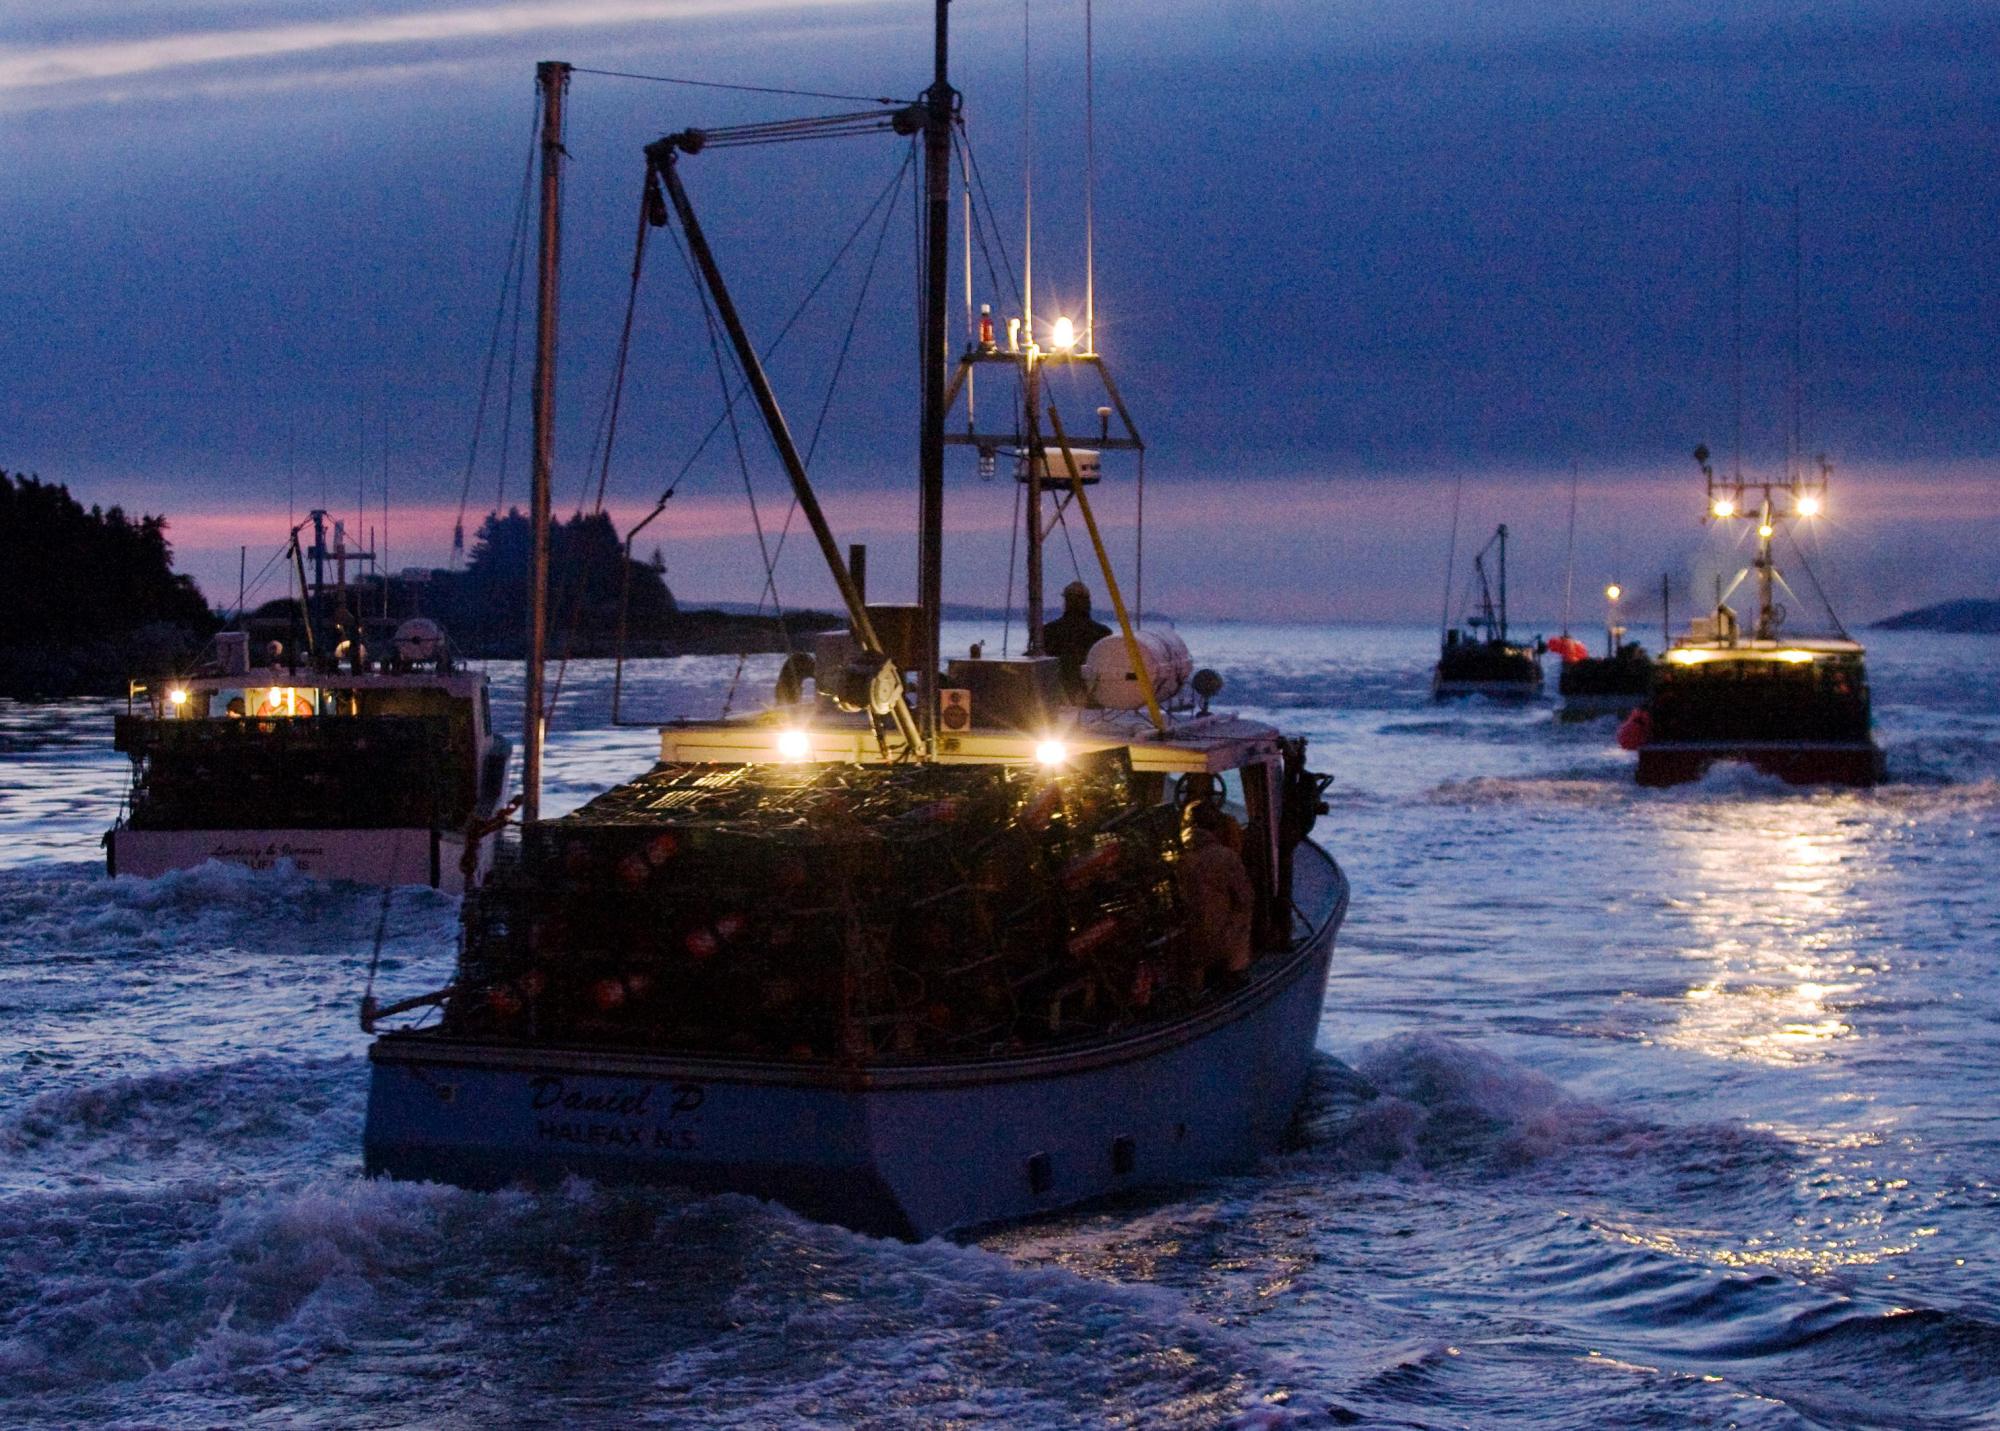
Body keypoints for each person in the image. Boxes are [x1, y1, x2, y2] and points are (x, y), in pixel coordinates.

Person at [1176, 799, 1255, 994]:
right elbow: (1245, 898)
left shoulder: (1173, 856)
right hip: (1216, 940)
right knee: (1244, 913)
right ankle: (1235, 971)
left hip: (1180, 940)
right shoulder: (1225, 856)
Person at [1042, 580, 1111, 701]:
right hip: (1092, 697)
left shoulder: (1048, 630)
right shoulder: (1102, 632)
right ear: (1088, 602)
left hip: (1057, 696)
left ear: (1066, 602)